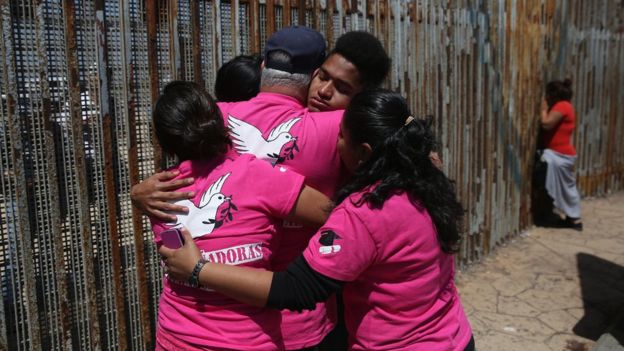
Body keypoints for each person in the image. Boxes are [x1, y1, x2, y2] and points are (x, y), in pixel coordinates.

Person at [159, 89, 475, 351]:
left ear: (364, 152)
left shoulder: (363, 216)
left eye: (339, 137)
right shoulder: (426, 180)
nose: (335, 146)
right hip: (453, 335)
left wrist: (199, 269)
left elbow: (296, 288)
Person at [133, 26, 346, 350]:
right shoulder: (329, 129)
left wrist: (136, 193)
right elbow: (334, 215)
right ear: (316, 75)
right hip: (274, 326)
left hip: (176, 335)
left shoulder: (163, 191)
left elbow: (177, 250)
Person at [538, 78, 582, 230]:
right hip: (559, 154)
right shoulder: (566, 106)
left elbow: (546, 124)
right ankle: (573, 218)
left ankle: (575, 219)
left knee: (567, 188)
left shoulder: (562, 106)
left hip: (560, 155)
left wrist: (543, 110)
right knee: (566, 187)